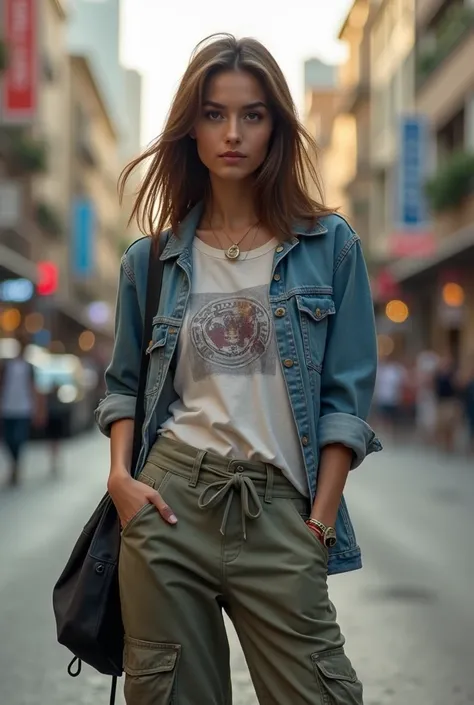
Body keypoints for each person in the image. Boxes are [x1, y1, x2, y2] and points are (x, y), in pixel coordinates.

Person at [96, 34, 381, 705]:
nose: (233, 133)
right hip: (169, 506)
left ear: (275, 126)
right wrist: (120, 481)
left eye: (252, 115)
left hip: (281, 509)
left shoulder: (329, 247)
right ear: (190, 127)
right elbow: (124, 387)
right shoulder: (153, 258)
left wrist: (320, 519)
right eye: (215, 114)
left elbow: (347, 397)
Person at [0, 337, 40, 486]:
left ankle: (16, 466)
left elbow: (33, 388)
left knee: (19, 438)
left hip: (24, 408)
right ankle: (14, 464)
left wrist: (37, 409)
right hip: (7, 408)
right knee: (8, 440)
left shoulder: (29, 367)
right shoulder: (7, 366)